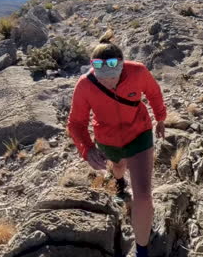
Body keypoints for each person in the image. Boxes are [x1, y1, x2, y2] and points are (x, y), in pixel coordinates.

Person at [67, 30, 167, 257]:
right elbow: (76, 123)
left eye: (113, 77)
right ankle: (120, 182)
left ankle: (142, 250)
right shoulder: (85, 85)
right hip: (108, 139)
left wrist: (160, 118)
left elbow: (153, 93)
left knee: (143, 196)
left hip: (139, 133)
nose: (109, 83)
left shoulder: (138, 72)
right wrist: (87, 149)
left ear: (122, 66)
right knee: (119, 167)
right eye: (103, 79)